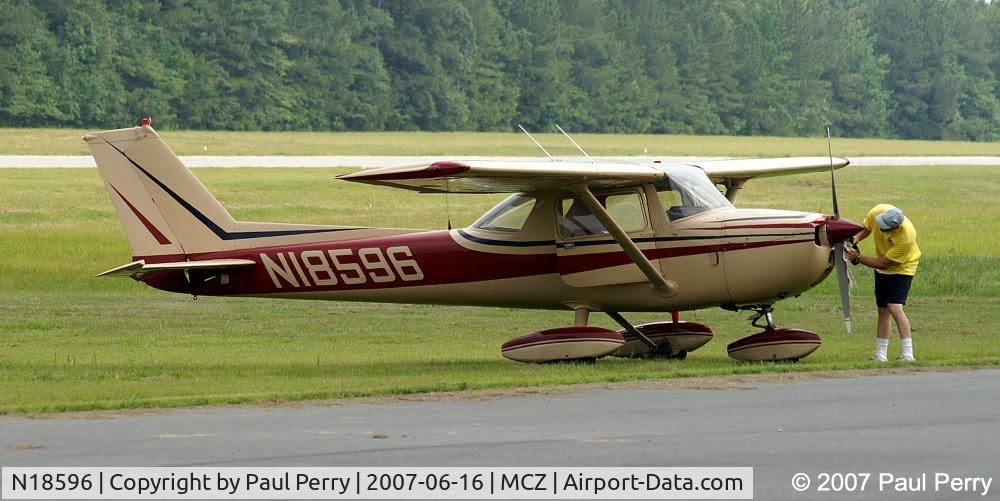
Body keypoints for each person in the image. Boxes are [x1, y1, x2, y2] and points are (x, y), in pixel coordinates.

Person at [844, 205, 921, 362]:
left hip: (902, 267)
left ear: (895, 228)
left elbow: (883, 263)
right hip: (882, 267)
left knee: (894, 307)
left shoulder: (906, 237)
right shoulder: (878, 212)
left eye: (884, 227)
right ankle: (880, 355)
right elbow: (867, 227)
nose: (880, 227)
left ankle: (908, 354)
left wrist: (857, 257)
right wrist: (855, 239)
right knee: (883, 310)